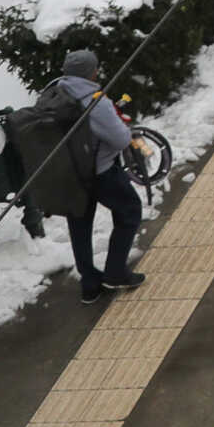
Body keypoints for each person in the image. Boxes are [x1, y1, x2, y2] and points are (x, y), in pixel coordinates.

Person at [50, 50, 147, 305]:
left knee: (80, 227)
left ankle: (90, 285)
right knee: (130, 211)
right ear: (90, 72)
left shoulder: (54, 93)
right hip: (101, 172)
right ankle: (115, 272)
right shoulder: (95, 101)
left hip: (69, 174)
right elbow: (121, 138)